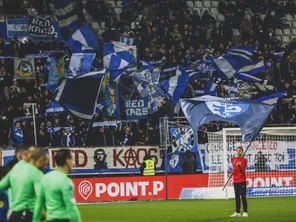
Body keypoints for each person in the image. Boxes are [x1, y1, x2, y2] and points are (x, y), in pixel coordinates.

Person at [0, 147, 48, 222]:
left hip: (14, 214)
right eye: (45, 162)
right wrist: (36, 218)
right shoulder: (36, 173)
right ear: (40, 160)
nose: (45, 166)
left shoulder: (16, 168)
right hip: (29, 213)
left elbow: (1, 186)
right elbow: (41, 198)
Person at [33, 149, 81, 222]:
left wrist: (35, 220)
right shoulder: (65, 181)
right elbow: (71, 207)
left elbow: (39, 203)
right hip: (63, 219)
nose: (73, 163)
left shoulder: (45, 178)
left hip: (50, 219)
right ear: (67, 161)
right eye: (72, 160)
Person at [230, 146, 248, 217]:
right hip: (235, 181)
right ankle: (237, 212)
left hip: (242, 180)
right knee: (237, 197)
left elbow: (243, 172)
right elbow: (233, 169)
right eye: (237, 150)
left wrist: (239, 166)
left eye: (240, 150)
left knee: (243, 196)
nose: (238, 152)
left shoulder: (244, 160)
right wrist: (231, 176)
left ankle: (245, 212)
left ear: (242, 152)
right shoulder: (233, 159)